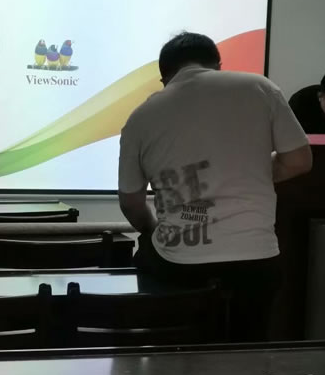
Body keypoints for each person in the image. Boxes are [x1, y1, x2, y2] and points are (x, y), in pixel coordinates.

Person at [118, 32, 312, 342]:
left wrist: (151, 229)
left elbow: (131, 202)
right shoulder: (259, 87)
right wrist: (249, 174)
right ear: (218, 65)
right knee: (248, 348)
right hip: (256, 258)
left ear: (164, 77)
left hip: (180, 263)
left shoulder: (139, 117)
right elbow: (299, 161)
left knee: (176, 336)